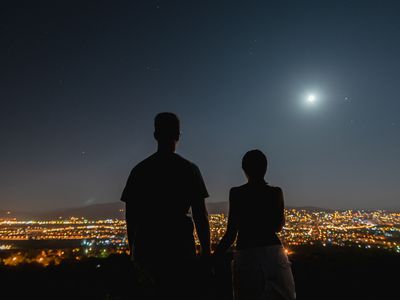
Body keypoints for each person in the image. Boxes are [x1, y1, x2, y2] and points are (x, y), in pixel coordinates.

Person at [120, 112, 211, 298]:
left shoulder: (139, 171)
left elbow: (131, 218)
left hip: (148, 249)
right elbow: (200, 215)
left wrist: (134, 254)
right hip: (181, 249)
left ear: (155, 135)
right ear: (178, 135)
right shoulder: (189, 169)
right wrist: (206, 253)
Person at [214, 150, 296, 300]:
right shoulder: (275, 192)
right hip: (273, 254)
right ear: (265, 168)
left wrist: (214, 256)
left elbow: (231, 233)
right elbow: (278, 226)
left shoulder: (237, 193)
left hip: (246, 254)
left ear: (244, 169)